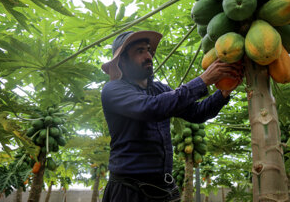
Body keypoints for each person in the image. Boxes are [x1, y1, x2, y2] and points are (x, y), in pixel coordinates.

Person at [100, 30, 243, 202]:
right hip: (129, 191)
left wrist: (223, 93)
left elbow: (196, 113)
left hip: (163, 189)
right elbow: (150, 108)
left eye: (148, 50)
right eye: (140, 51)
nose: (148, 56)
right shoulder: (113, 90)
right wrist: (203, 80)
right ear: (122, 61)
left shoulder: (160, 89)